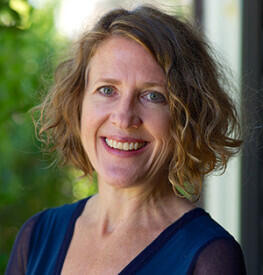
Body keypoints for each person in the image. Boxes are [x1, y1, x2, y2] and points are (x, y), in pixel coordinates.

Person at [5, 5, 246, 275]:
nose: (123, 117)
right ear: (78, 104)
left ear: (187, 117)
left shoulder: (209, 256)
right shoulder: (36, 237)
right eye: (107, 90)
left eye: (153, 96)